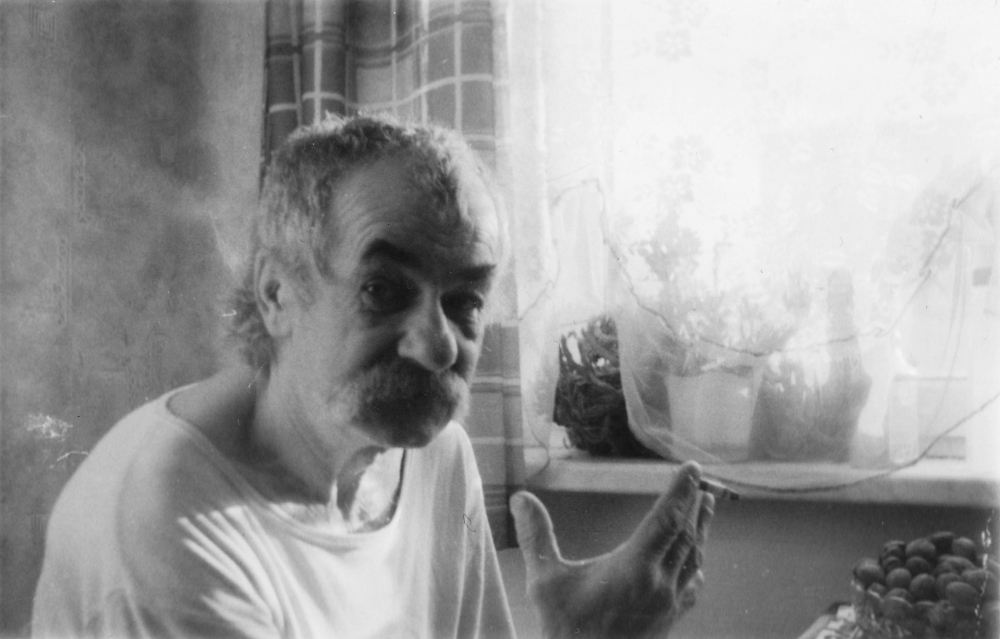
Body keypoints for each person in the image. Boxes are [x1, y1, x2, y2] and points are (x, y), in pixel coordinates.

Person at [32, 115, 714, 639]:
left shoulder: (435, 456)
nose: (439, 347)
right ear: (276, 294)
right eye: (383, 290)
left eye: (466, 300)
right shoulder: (171, 530)